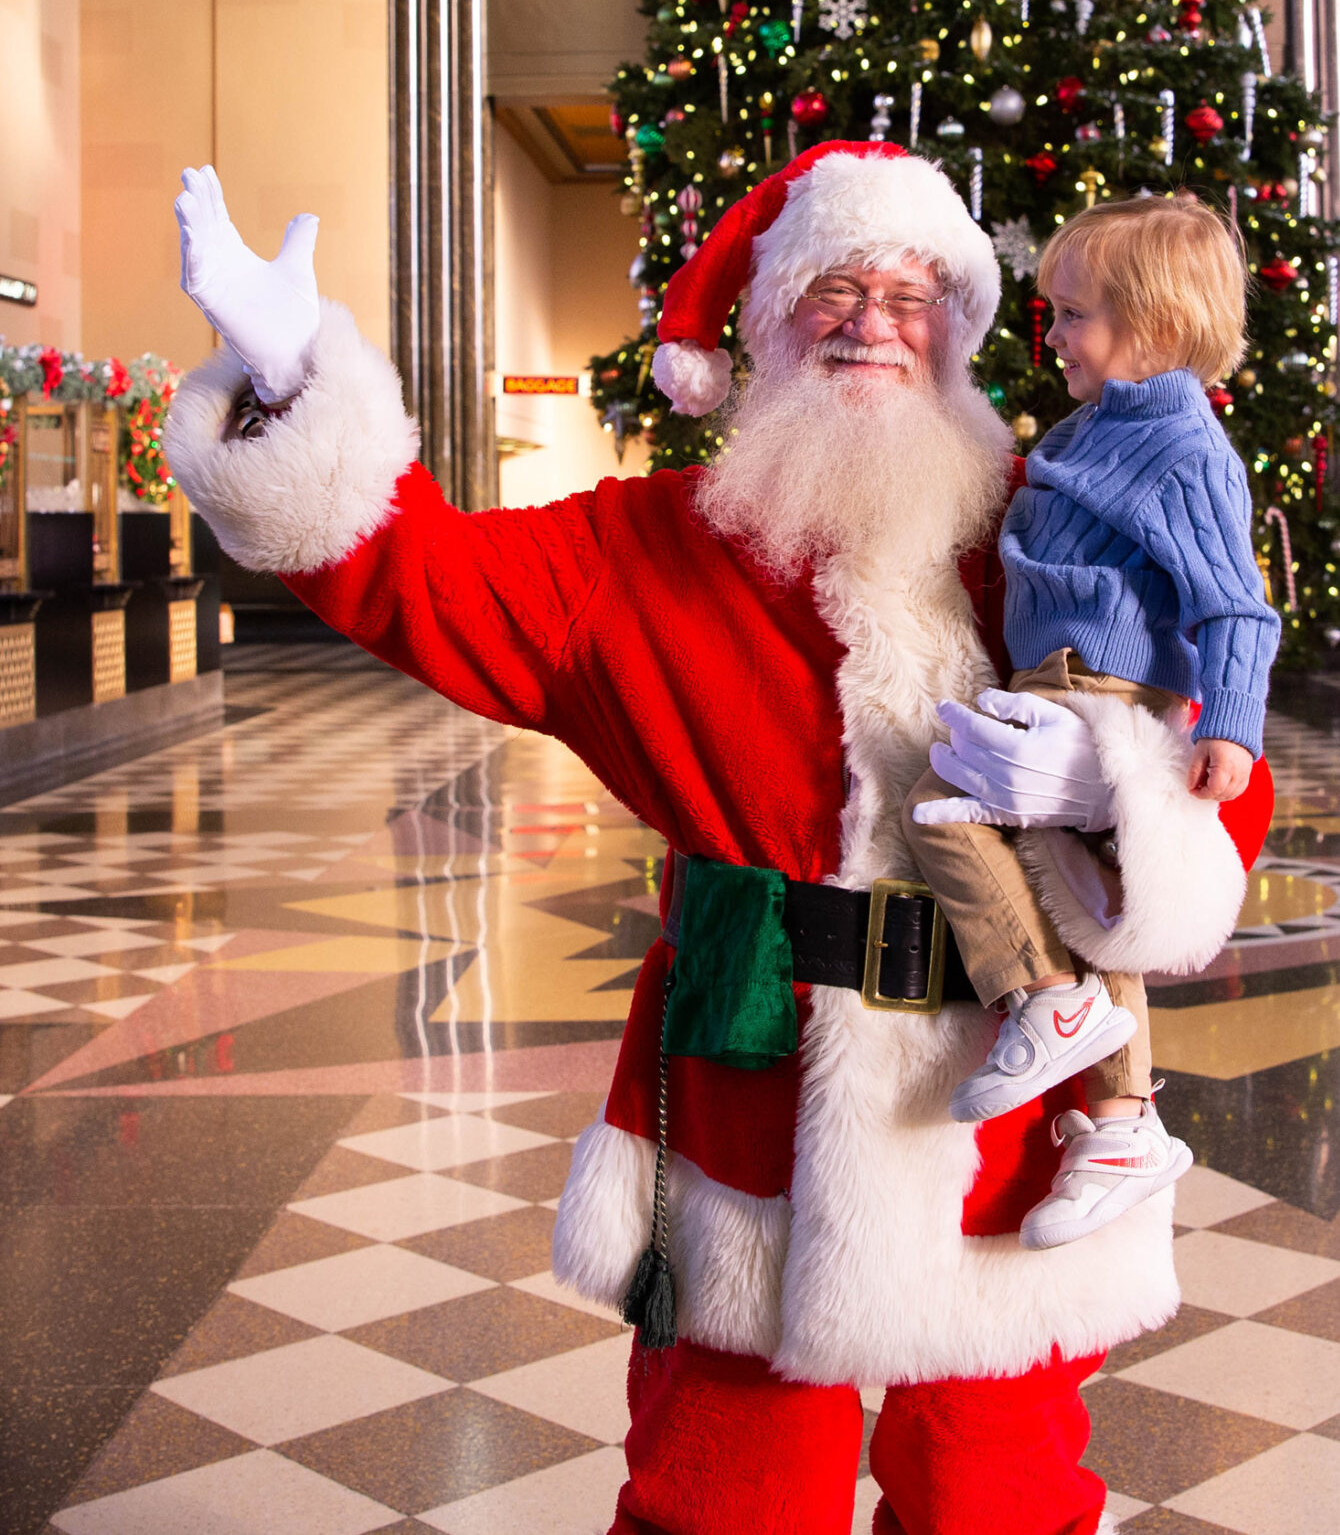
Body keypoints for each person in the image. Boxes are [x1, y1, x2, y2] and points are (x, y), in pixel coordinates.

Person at [161, 143, 1268, 1535]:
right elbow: (423, 579)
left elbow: (1227, 745)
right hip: (748, 1088)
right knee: (725, 1497)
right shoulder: (649, 545)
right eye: (831, 287)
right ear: (763, 326)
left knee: (1004, 1494)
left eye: (917, 290)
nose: (873, 317)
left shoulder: (1057, 515)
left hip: (1010, 1108)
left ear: (967, 331)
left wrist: (1114, 781)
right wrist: (289, 386)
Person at [902, 196, 1279, 1250]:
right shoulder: (1093, 430)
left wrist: (1230, 729)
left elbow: (1235, 606)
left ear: (1154, 330)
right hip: (1055, 682)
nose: (1053, 335)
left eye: (1074, 316)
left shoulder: (1181, 451)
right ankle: (1118, 1119)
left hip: (1105, 699)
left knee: (968, 821)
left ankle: (1056, 1012)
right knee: (1073, 889)